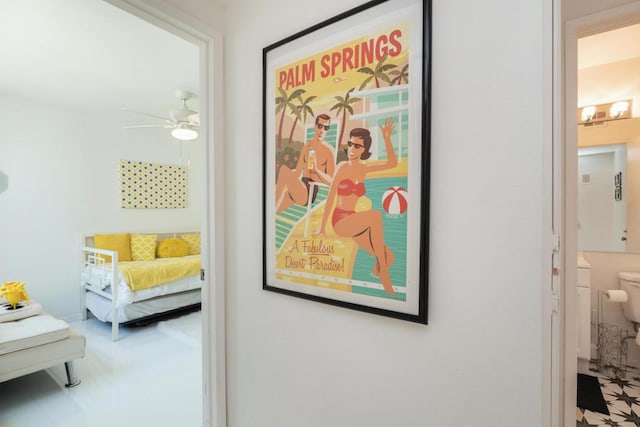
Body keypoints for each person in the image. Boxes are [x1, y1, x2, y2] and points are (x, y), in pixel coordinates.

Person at [316, 117, 398, 294]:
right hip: (340, 221)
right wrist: (322, 227)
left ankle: (376, 273)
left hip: (354, 221)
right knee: (375, 216)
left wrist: (386, 138)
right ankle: (383, 274)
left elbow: (392, 163)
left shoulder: (364, 169)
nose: (351, 149)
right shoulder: (342, 167)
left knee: (388, 256)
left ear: (365, 149)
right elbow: (331, 197)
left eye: (357, 146)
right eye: (350, 144)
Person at [275, 114, 336, 212]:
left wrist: (316, 170)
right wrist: (289, 177)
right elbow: (298, 172)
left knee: (283, 170)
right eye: (320, 126)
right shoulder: (307, 146)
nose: (322, 130)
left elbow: (331, 181)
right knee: (273, 207)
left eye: (326, 128)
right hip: (300, 187)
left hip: (309, 193)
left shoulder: (329, 150)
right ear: (315, 126)